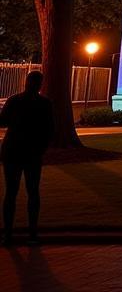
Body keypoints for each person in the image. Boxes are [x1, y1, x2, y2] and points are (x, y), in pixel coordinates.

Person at [0, 71, 54, 246]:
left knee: (11, 192)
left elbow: (2, 121)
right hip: (32, 152)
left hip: (13, 151)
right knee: (32, 191)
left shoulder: (14, 100)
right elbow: (49, 129)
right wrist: (42, 148)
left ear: (26, 82)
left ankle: (8, 235)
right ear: (40, 85)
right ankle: (32, 234)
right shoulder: (44, 104)